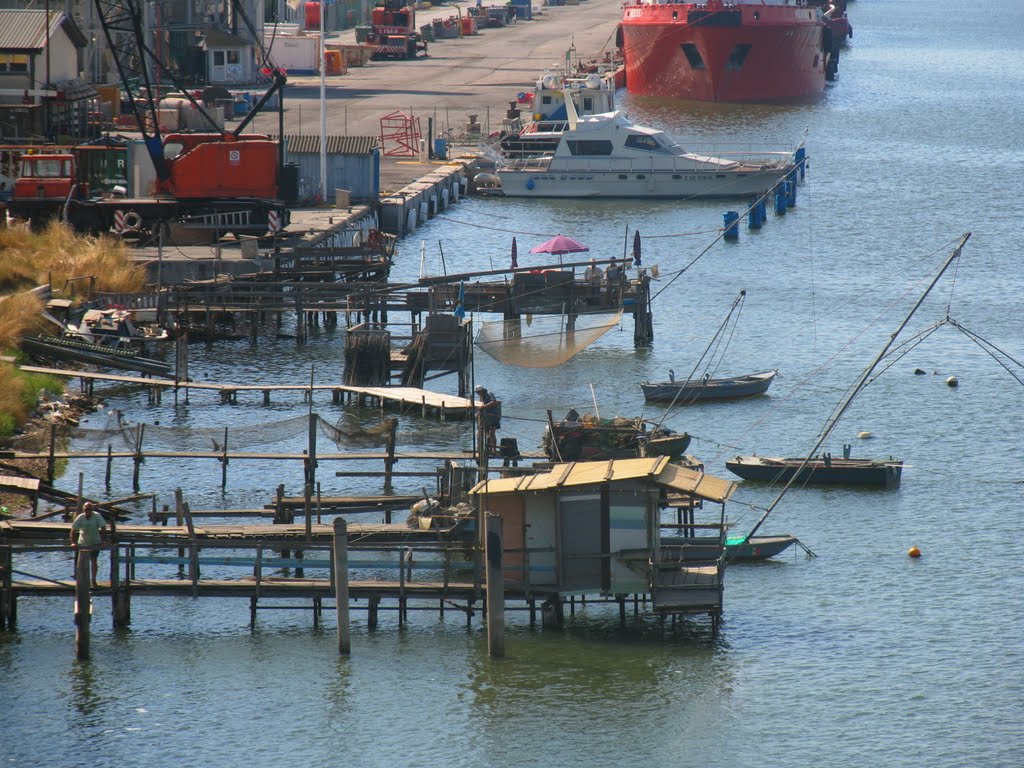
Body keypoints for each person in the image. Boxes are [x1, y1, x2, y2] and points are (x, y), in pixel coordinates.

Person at [70, 502, 106, 588]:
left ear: (92, 510)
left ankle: (93, 580)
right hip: (83, 543)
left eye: (90, 509)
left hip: (95, 542)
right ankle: (82, 581)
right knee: (82, 563)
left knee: (94, 561)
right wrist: (73, 542)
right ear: (84, 510)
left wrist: (102, 540)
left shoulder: (97, 516)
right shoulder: (81, 517)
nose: (88, 511)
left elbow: (103, 528)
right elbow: (73, 530)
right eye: (86, 510)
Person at [475, 384, 501, 454]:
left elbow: (493, 402)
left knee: (492, 433)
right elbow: (481, 407)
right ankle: (489, 449)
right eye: (476, 393)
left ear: (482, 390)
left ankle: (494, 450)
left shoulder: (489, 393)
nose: (477, 394)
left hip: (493, 417)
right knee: (487, 434)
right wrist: (479, 413)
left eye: (478, 392)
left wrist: (484, 407)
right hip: (486, 418)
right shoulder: (481, 397)